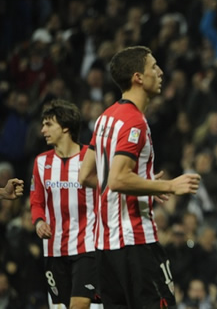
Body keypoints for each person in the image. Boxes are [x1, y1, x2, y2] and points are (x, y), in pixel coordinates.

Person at [79, 45, 201, 308]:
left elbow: (86, 175)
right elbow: (118, 180)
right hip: (135, 242)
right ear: (138, 77)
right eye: (154, 67)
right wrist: (169, 185)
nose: (160, 72)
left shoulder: (105, 118)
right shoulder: (135, 122)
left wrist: (146, 185)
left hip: (105, 247)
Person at [30, 99, 98, 308]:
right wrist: (39, 221)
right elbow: (37, 200)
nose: (43, 130)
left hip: (87, 245)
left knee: (79, 305)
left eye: (49, 124)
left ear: (66, 127)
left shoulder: (91, 157)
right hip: (54, 248)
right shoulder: (41, 162)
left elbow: (112, 188)